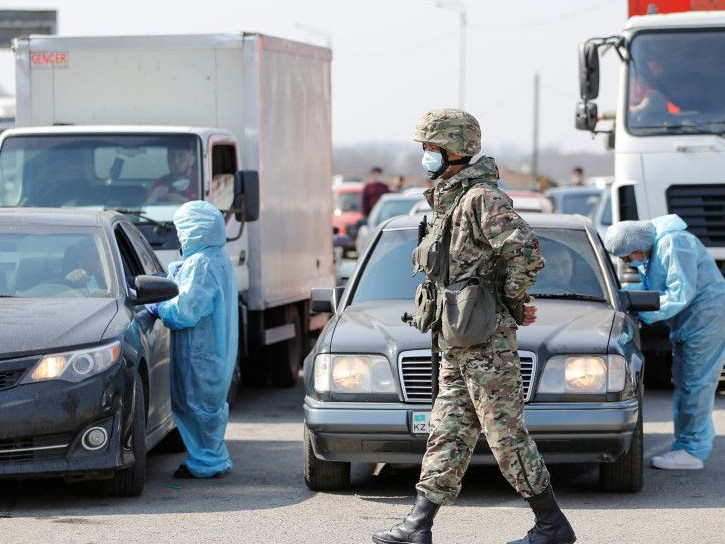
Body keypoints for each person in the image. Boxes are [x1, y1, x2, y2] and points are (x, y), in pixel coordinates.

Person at [372, 108, 575, 544]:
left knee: (504, 435)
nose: (425, 156)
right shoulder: (449, 199)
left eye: (431, 148)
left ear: (456, 149)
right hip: (456, 338)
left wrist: (511, 301)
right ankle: (417, 525)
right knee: (446, 430)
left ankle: (552, 525)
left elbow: (525, 252)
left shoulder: (481, 198)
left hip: (485, 341)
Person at [603, 214, 725, 470]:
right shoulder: (657, 247)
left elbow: (680, 294)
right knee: (687, 383)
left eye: (626, 257)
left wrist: (641, 313)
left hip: (705, 321)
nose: (627, 262)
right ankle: (688, 445)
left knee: (695, 385)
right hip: (693, 323)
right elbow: (655, 289)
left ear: (637, 247)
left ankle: (692, 451)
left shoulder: (674, 243)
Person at [150, 200, 239, 478]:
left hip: (199, 352)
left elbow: (185, 311)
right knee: (209, 408)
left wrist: (157, 306)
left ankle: (206, 463)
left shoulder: (201, 263)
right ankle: (212, 459)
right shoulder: (216, 257)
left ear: (194, 230)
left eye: (182, 229)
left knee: (198, 407)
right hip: (214, 350)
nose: (179, 235)